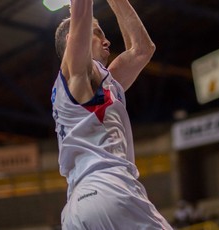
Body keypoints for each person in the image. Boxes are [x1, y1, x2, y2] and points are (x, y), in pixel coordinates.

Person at [51, 0, 173, 229]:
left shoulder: (103, 83)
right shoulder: (77, 74)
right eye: (97, 33)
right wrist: (79, 11)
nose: (107, 41)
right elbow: (82, 9)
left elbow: (142, 49)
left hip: (76, 211)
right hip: (110, 187)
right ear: (74, 40)